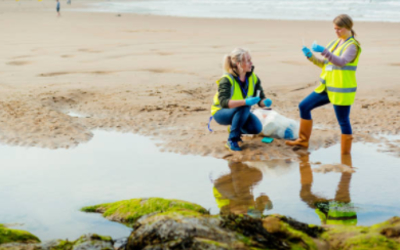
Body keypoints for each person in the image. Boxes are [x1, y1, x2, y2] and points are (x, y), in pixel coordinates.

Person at [285, 14, 361, 155]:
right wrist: (310, 56)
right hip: (326, 87)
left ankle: (345, 154)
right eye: (335, 29)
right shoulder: (334, 43)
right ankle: (303, 141)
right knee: (304, 106)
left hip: (341, 90)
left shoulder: (352, 46)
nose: (336, 32)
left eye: (339, 29)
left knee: (343, 121)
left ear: (348, 27)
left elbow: (341, 62)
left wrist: (324, 51)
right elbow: (324, 64)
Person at [210, 48, 272, 151]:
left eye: (250, 60)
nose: (251, 63)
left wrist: (264, 102)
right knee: (244, 106)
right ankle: (232, 140)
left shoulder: (253, 78)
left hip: (241, 110)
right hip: (220, 112)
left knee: (256, 128)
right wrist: (245, 102)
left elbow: (260, 99)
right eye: (248, 61)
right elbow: (224, 102)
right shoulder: (226, 79)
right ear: (238, 64)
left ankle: (234, 128)